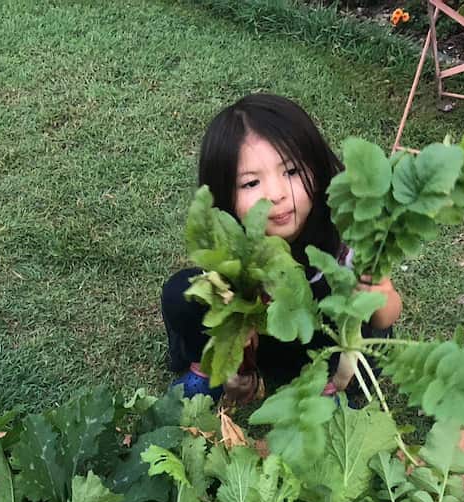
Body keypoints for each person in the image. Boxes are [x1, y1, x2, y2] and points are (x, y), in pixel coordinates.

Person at [162, 93, 403, 402]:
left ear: (315, 168)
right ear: (224, 194)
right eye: (251, 183)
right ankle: (209, 371)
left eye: (291, 171)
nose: (276, 194)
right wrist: (236, 368)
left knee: (358, 323)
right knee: (183, 292)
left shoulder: (345, 231)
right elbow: (230, 316)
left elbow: (386, 318)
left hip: (322, 343)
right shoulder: (231, 239)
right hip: (267, 340)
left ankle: (331, 389)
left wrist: (377, 292)